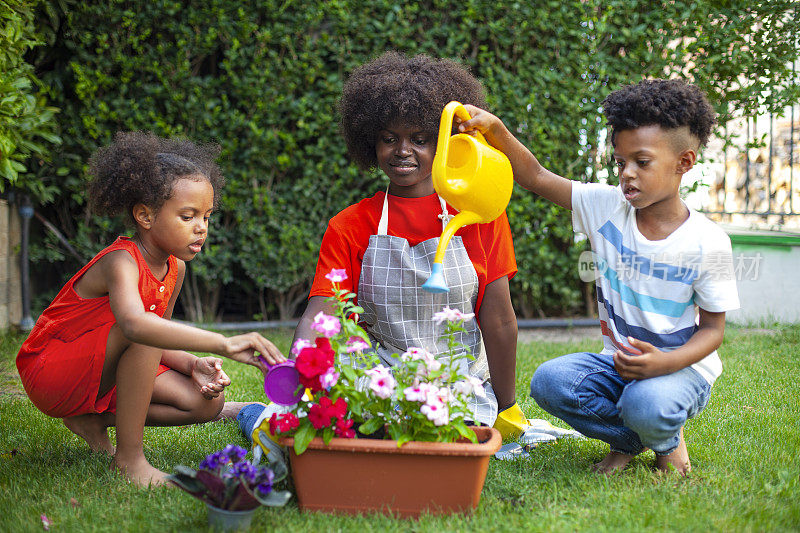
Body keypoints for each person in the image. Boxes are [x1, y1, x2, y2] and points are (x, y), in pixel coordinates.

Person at [457, 79, 739, 474]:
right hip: (617, 365)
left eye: (642, 162)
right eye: (620, 163)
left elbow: (714, 331)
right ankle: (630, 442)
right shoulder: (606, 207)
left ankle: (667, 442)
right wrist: (497, 132)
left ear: (684, 162)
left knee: (647, 404)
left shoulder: (710, 242)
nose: (627, 174)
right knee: (551, 382)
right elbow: (535, 176)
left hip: (679, 370)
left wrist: (664, 364)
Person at [16, 132, 285, 486]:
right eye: (187, 216)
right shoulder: (121, 261)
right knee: (142, 327)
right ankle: (129, 461)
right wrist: (223, 343)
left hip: (103, 372)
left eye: (207, 216)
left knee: (207, 405)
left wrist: (193, 364)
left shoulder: (177, 268)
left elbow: (158, 338)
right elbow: (136, 326)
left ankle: (93, 421)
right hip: (51, 371)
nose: (201, 227)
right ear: (145, 215)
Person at [292, 51, 523, 432]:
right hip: (377, 373)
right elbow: (322, 317)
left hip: (456, 378)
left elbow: (498, 321)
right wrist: (297, 380)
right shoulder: (349, 225)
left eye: (420, 139)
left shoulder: (481, 218)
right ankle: (249, 413)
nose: (402, 151)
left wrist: (508, 406)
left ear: (448, 145)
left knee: (443, 434)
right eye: (389, 138)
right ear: (371, 143)